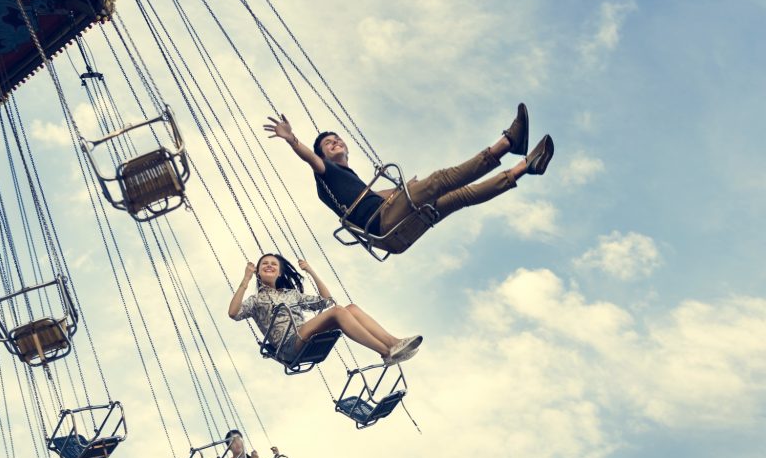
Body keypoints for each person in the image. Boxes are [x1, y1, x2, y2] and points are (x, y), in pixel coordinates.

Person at [263, 103, 554, 254]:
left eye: (338, 139)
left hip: (393, 237)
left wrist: (403, 189)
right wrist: (292, 140)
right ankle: (508, 143)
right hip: (384, 226)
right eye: (328, 143)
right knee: (440, 180)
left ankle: (526, 167)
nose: (335, 142)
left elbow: (378, 198)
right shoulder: (326, 173)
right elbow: (310, 159)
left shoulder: (352, 184)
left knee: (457, 197)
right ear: (323, 155)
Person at [228, 253, 422, 365]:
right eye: (265, 264)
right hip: (288, 345)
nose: (269, 266)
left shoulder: (291, 294)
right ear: (258, 271)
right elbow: (234, 313)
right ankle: (386, 352)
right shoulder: (255, 300)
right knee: (338, 312)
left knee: (351, 308)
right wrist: (245, 279)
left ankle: (394, 343)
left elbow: (326, 301)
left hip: (305, 335)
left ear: (279, 272)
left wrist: (311, 271)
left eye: (273, 264)